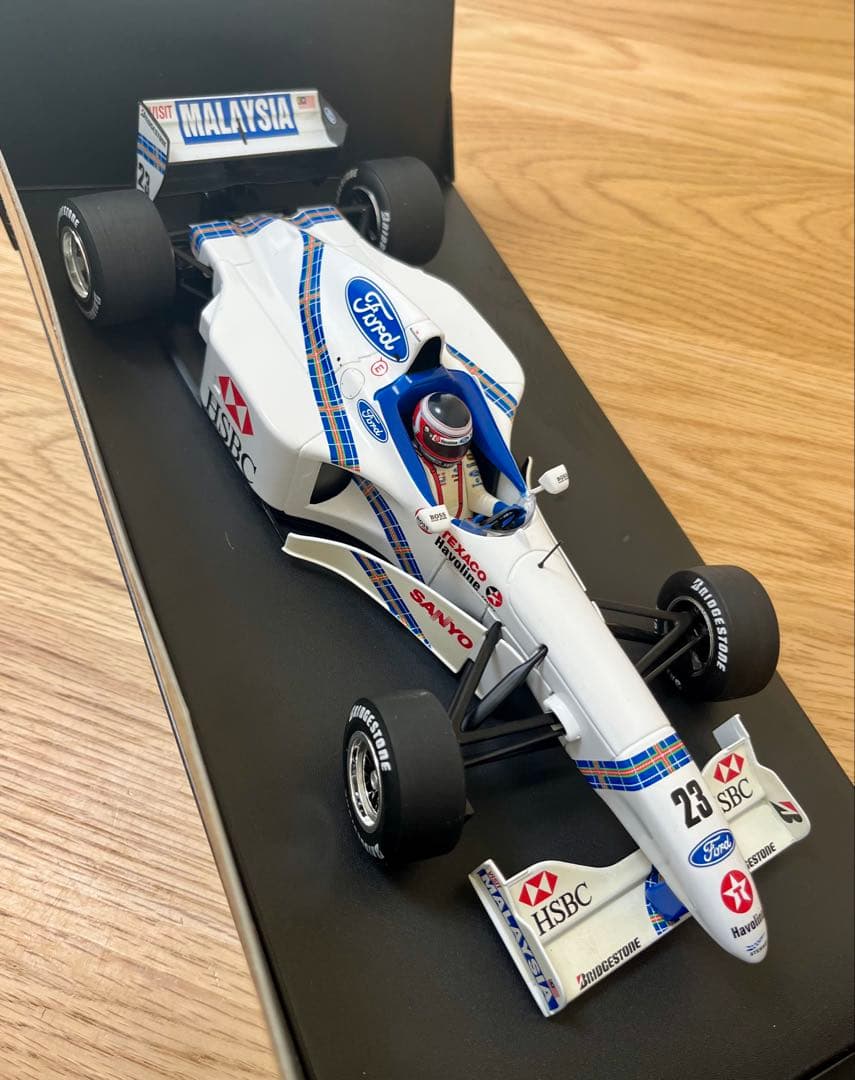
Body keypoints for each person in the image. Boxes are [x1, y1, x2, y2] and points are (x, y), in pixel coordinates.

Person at [411, 392, 525, 525]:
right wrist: (461, 527)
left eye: (459, 446)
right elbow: (421, 512)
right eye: (445, 447)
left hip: (473, 528)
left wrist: (503, 509)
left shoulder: (462, 456)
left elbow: (476, 496)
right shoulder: (411, 463)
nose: (453, 454)